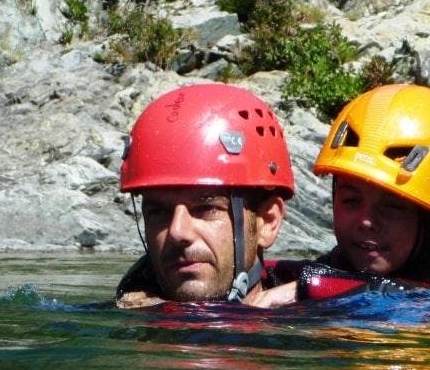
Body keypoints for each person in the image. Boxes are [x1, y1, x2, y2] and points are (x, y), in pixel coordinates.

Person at [246, 83, 430, 308]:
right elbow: (283, 273)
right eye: (351, 201)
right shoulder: (336, 268)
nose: (366, 221)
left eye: (392, 207)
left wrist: (305, 289)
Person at [114, 83, 296, 308]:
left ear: (268, 222)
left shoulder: (318, 318)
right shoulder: (124, 313)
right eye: (158, 212)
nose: (177, 232)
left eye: (207, 208)